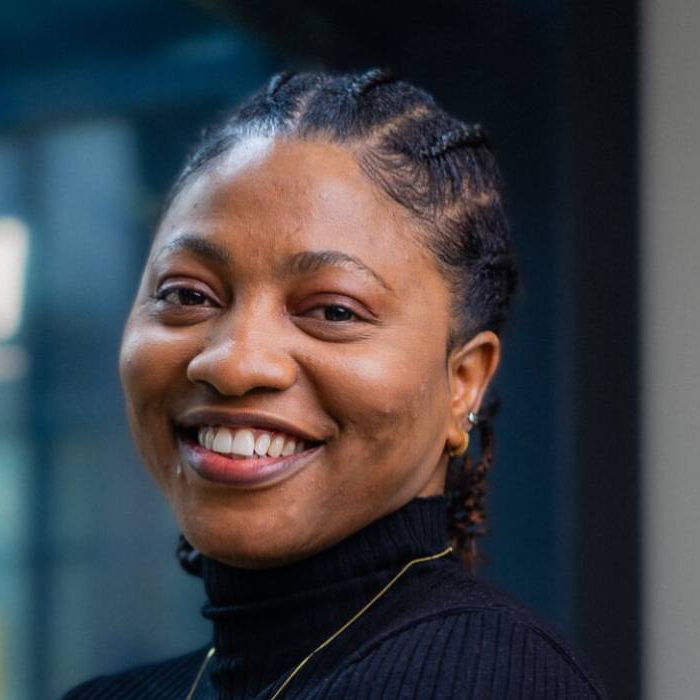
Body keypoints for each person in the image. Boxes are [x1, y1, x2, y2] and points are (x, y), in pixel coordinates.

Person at [63, 69, 608, 699]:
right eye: (188, 294)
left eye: (334, 311)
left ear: (463, 381)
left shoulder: (490, 678)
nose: (234, 363)